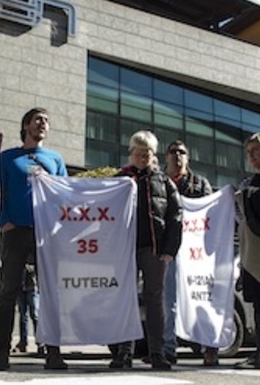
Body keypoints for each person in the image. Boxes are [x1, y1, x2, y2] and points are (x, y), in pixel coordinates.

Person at [0, 107, 68, 371]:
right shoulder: (8, 158)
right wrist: (5, 222)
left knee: (50, 294)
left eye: (46, 120)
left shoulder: (55, 159)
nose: (43, 124)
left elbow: (65, 194)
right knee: (8, 292)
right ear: (26, 126)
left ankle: (53, 352)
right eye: (38, 120)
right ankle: (1, 353)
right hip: (15, 232)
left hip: (46, 234)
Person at [109, 130, 182, 371]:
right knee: (125, 300)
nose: (142, 158)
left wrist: (170, 248)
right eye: (138, 153)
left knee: (155, 300)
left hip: (154, 249)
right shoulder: (119, 178)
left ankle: (157, 353)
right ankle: (123, 352)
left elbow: (176, 215)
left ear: (153, 155)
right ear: (131, 153)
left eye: (147, 154)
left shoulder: (163, 181)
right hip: (124, 250)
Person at [162, 140, 218, 367]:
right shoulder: (160, 181)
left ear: (188, 158)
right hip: (170, 249)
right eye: (173, 152)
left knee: (201, 298)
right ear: (166, 157)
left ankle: (209, 347)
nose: (177, 155)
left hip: (196, 251)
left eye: (182, 152)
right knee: (169, 301)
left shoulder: (200, 183)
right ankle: (168, 349)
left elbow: (211, 213)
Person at [234, 132, 260, 370]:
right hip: (254, 253)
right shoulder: (245, 185)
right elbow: (239, 220)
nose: (251, 156)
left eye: (256, 151)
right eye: (248, 152)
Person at [15, 263, 41, 354]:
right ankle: (23, 342)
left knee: (35, 315)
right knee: (23, 315)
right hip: (21, 285)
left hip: (32, 285)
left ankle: (40, 343)